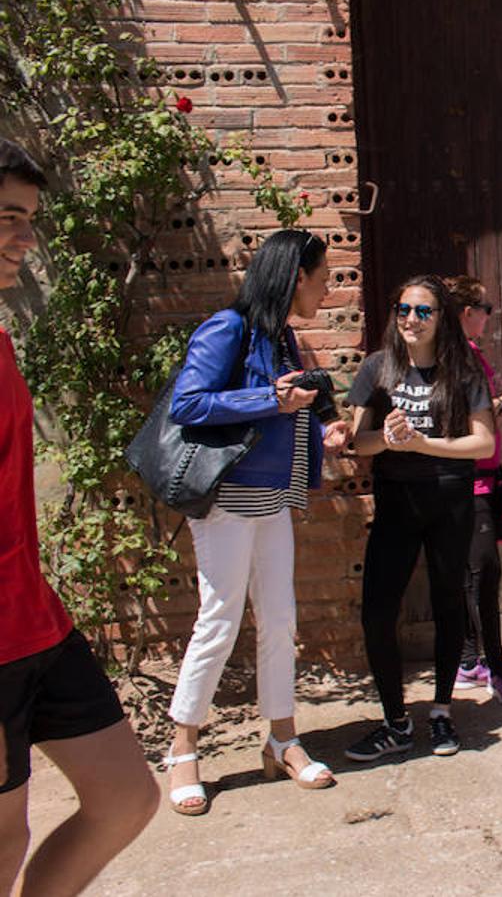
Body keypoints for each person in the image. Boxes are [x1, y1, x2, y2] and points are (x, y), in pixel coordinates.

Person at [0, 138, 158, 894]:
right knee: (3, 839)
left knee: (126, 798)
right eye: (6, 217)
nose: (24, 238)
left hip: (37, 622)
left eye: (27, 219)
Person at [165, 228, 349, 812]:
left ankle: (282, 739)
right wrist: (270, 399)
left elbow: (288, 418)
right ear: (296, 276)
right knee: (218, 621)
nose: (325, 291)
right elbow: (189, 403)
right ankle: (182, 747)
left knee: (279, 620)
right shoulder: (228, 329)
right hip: (226, 501)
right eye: (321, 279)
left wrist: (325, 435)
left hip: (273, 499)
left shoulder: (285, 341)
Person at [343, 275, 496, 760]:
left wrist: (422, 443)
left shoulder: (464, 370)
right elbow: (356, 442)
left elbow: (485, 443)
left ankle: (442, 712)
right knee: (377, 612)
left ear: (441, 318)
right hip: (396, 501)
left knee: (450, 603)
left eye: (423, 311)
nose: (411, 319)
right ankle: (395, 721)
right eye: (404, 309)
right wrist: (388, 438)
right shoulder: (377, 368)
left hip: (450, 500)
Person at [445, 276, 502, 705]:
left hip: (480, 479)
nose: (488, 316)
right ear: (467, 313)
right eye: (485, 308)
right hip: (470, 481)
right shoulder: (459, 356)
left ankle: (468, 661)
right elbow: (462, 416)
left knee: (469, 575)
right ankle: (498, 670)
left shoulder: (464, 353)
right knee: (483, 575)